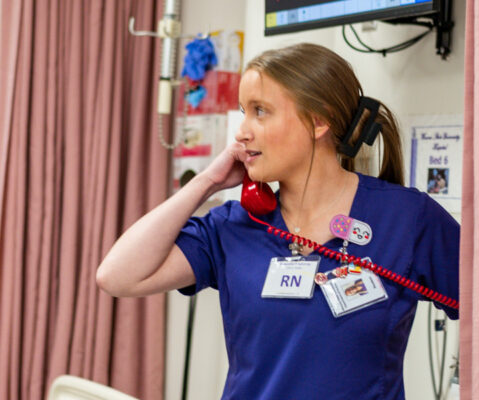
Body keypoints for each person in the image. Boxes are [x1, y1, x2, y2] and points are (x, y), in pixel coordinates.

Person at [96, 43, 459, 400]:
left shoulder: (407, 218)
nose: (242, 131)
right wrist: (205, 183)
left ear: (318, 121)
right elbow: (117, 276)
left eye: (260, 111)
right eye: (243, 111)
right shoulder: (234, 226)